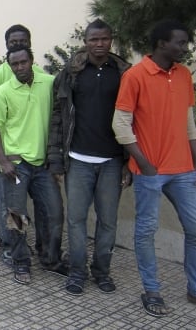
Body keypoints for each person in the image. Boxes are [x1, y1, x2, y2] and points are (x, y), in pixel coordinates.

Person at [112, 19, 196, 317]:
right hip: (150, 171)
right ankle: (151, 290)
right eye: (180, 42)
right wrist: (145, 164)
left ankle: (195, 289)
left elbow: (188, 123)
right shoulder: (135, 76)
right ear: (162, 43)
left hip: (184, 170)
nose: (184, 48)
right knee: (146, 231)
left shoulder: (184, 74)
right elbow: (120, 125)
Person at [48, 19, 131, 296]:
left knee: (108, 222)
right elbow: (58, 118)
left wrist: (128, 163)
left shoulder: (123, 74)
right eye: (93, 39)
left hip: (111, 162)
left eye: (104, 39)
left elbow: (133, 120)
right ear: (85, 41)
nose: (99, 44)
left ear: (111, 40)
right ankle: (77, 272)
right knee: (76, 220)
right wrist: (56, 160)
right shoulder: (71, 74)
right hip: (78, 161)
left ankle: (102, 271)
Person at [0, 45, 64, 285]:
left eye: (23, 62)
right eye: (15, 64)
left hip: (43, 165)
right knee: (16, 216)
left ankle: (50, 259)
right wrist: (2, 160)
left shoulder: (49, 83)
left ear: (32, 61)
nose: (19, 67)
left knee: (54, 212)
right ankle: (21, 262)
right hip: (16, 165)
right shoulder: (3, 91)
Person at [0, 24, 49, 267]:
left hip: (36, 158)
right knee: (8, 205)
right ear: (6, 44)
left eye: (22, 41)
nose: (17, 44)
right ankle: (10, 248)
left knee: (40, 208)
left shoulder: (40, 75)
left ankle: (41, 250)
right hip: (8, 155)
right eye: (13, 41)